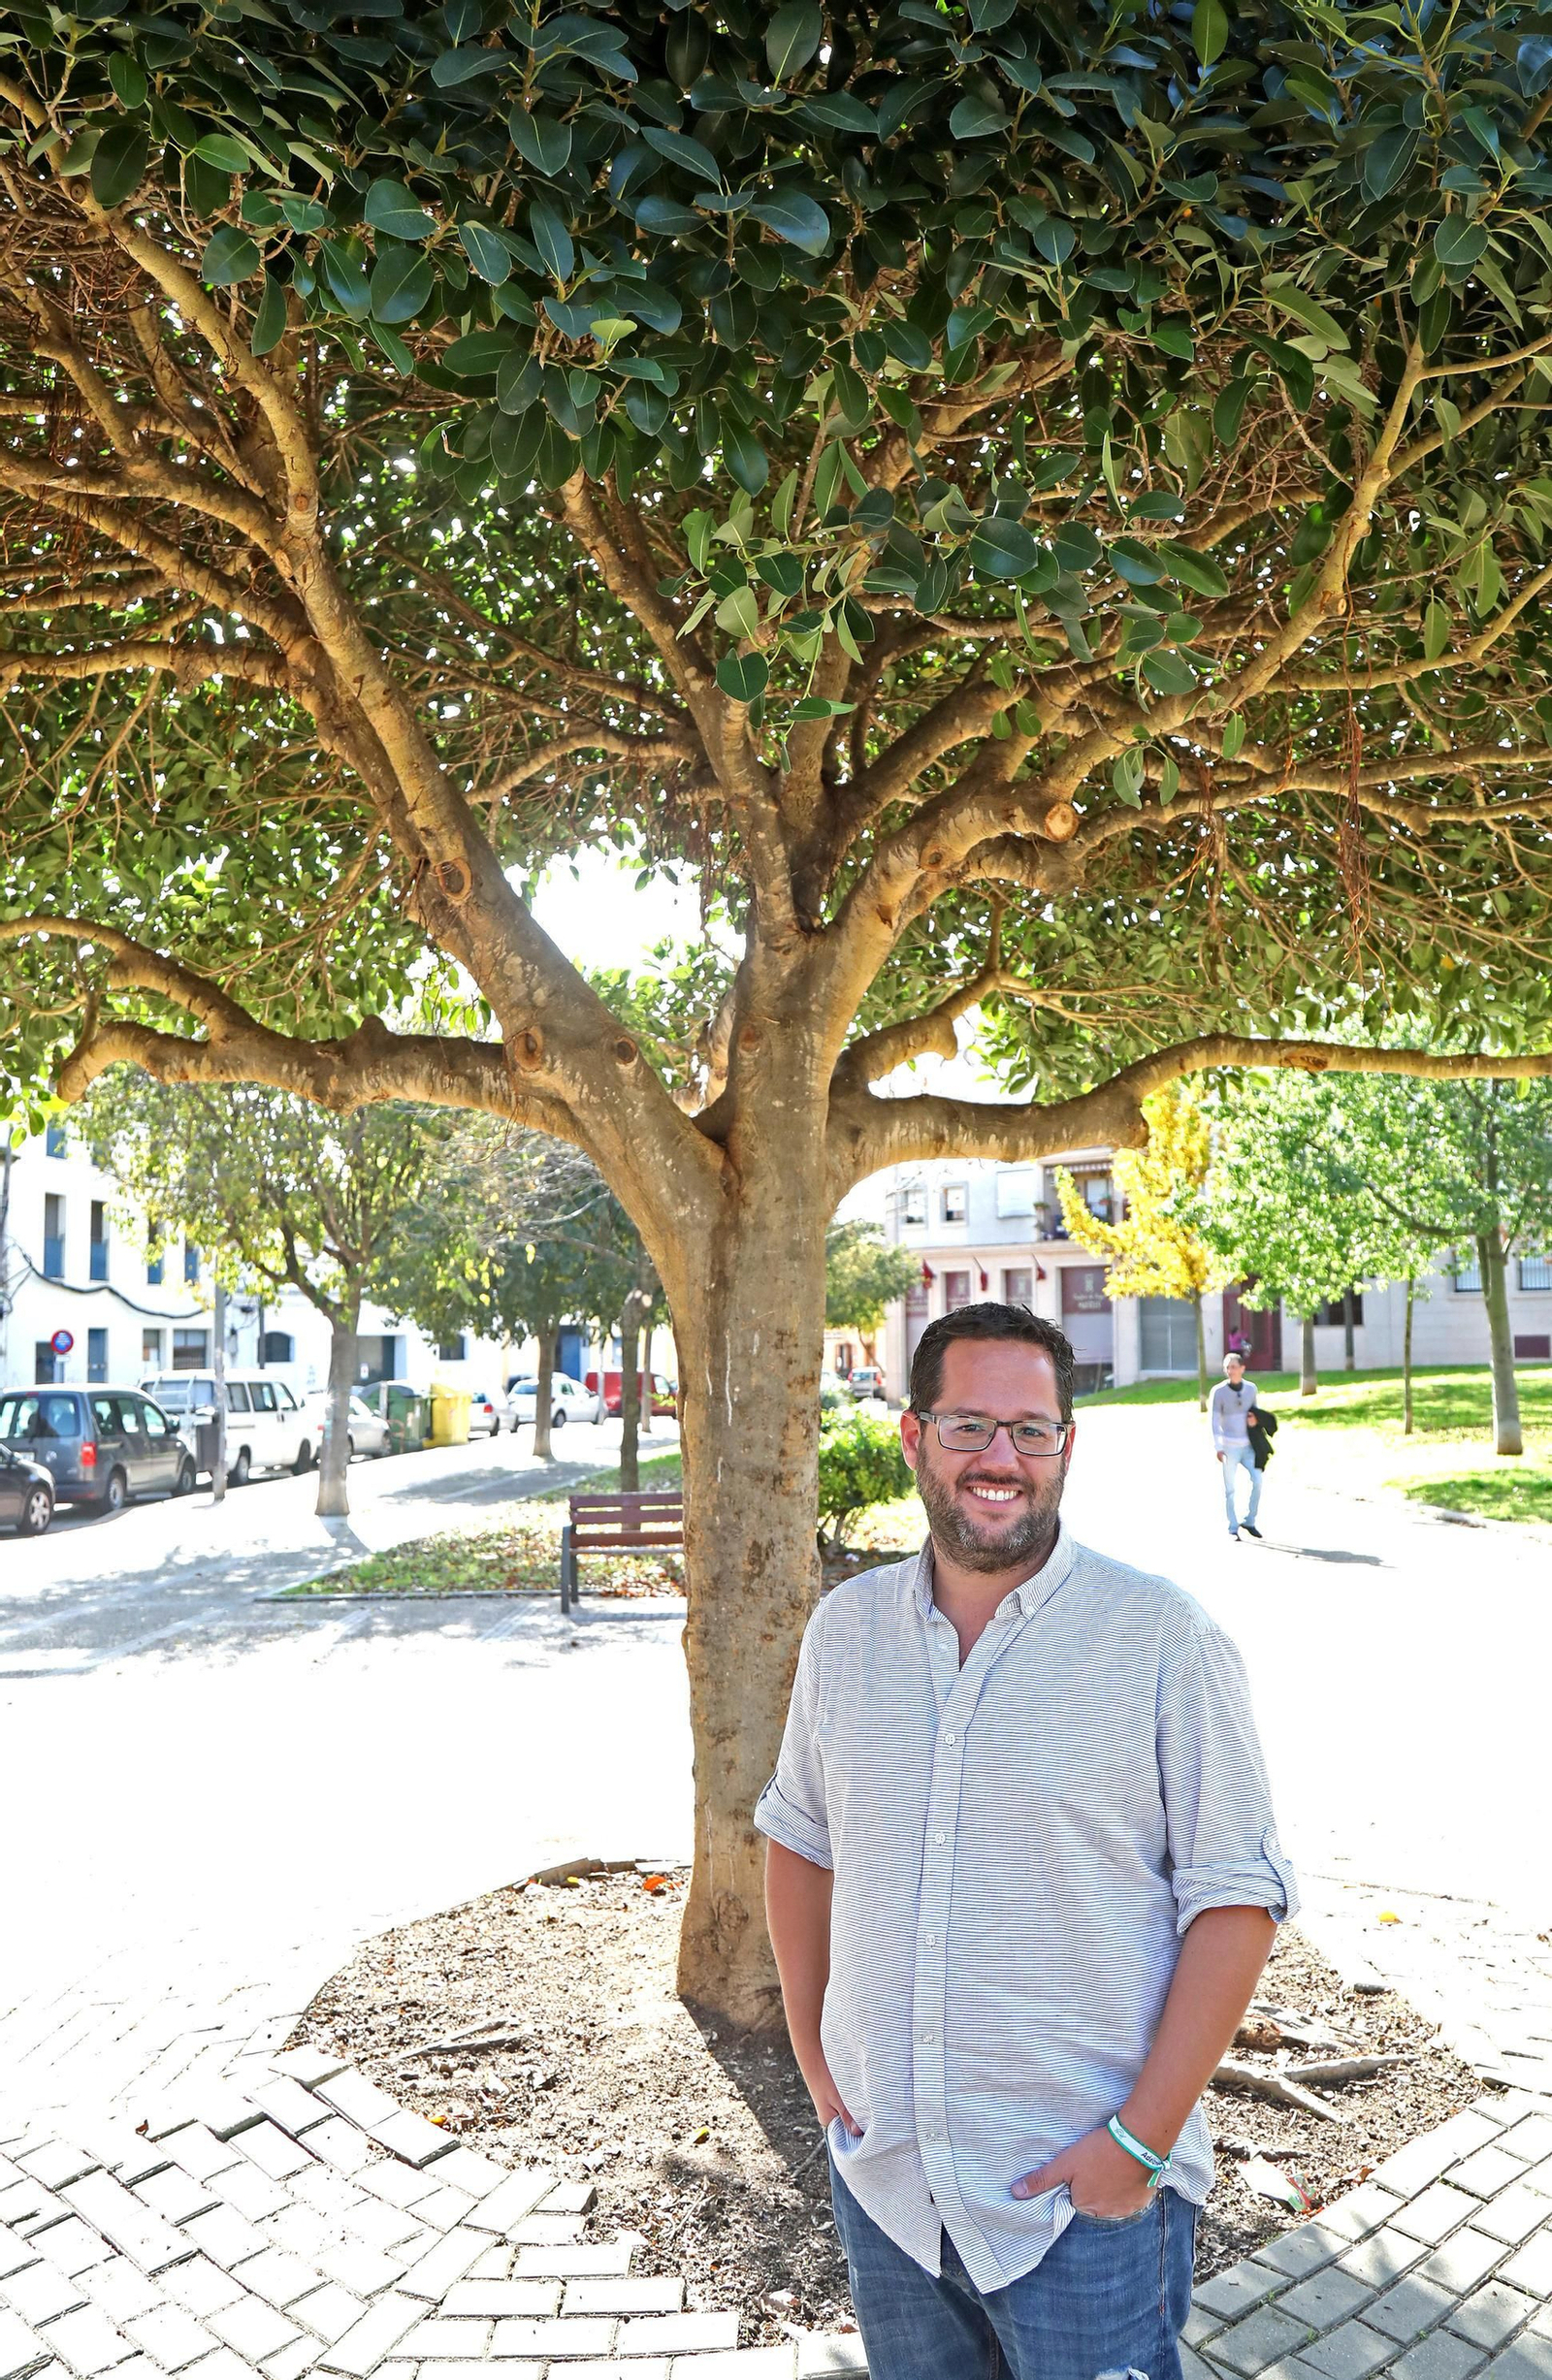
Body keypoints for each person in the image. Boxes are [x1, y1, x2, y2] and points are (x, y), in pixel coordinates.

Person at [758, 1302, 1295, 2380]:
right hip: (888, 2189)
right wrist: (817, 2062)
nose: (1000, 1460)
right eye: (967, 1427)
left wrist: (1138, 2145)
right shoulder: (844, 1632)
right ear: (913, 1437)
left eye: (1030, 1430)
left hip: (1078, 2207)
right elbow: (800, 1840)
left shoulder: (1163, 1643)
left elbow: (1235, 1901)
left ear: (1064, 1446)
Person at [1210, 1349, 1264, 1540]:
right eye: (1227, 1367)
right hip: (1229, 1446)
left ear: (1242, 1368)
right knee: (1230, 1489)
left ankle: (1250, 1520)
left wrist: (1254, 1421)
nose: (1230, 1370)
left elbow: (1255, 1412)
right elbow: (1215, 1421)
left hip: (1249, 1446)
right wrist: (1218, 1446)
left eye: (1233, 1367)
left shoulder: (1251, 1389)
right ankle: (1233, 1527)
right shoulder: (1218, 1392)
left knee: (1257, 1481)